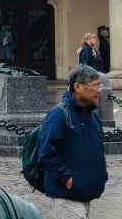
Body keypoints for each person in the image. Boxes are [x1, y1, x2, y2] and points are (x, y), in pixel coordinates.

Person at [29, 64, 109, 217]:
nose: (99, 90)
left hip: (86, 194)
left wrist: (101, 175)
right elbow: (46, 152)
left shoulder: (92, 117)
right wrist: (66, 178)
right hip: (66, 197)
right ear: (78, 87)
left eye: (100, 85)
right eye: (95, 85)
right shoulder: (59, 114)